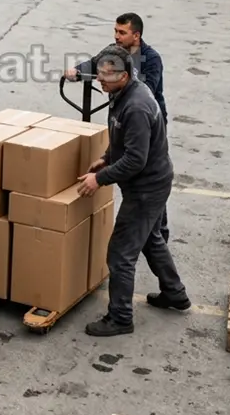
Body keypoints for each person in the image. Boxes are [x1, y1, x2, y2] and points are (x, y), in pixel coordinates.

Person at [77, 45, 189, 337]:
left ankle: (120, 318)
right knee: (151, 239)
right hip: (151, 180)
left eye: (106, 75)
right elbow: (124, 138)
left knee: (121, 253)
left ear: (124, 75)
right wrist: (106, 157)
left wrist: (100, 178)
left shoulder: (137, 106)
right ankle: (174, 292)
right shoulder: (122, 93)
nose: (100, 80)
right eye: (99, 73)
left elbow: (135, 160)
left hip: (146, 188)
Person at [66, 13, 166, 124]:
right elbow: (94, 64)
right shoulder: (113, 51)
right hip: (118, 116)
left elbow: (147, 93)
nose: (116, 36)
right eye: (116, 31)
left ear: (136, 36)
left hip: (146, 118)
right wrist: (77, 71)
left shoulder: (151, 58)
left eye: (122, 33)